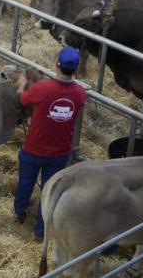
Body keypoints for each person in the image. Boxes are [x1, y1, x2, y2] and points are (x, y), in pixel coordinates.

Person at [13, 46, 87, 240]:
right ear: (77, 69)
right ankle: (40, 231)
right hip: (59, 153)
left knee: (25, 183)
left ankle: (19, 213)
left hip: (34, 148)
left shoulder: (42, 88)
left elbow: (23, 100)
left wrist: (22, 82)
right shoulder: (80, 93)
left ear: (56, 64)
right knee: (50, 191)